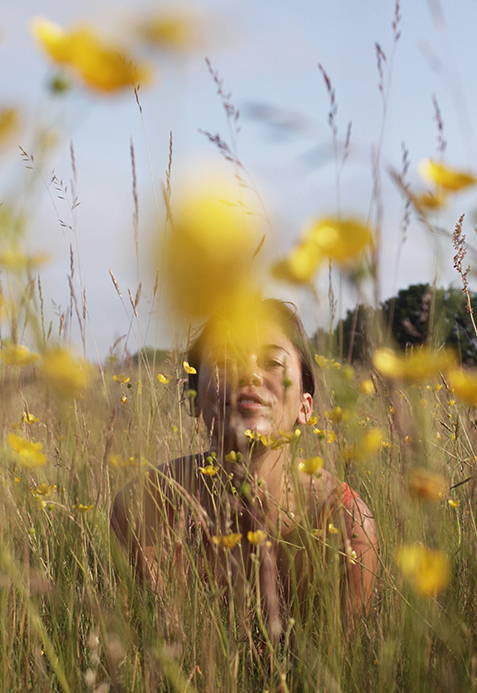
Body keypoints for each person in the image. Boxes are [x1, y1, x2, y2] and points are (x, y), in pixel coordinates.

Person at [111, 298, 378, 639]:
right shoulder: (146, 507)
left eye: (271, 362)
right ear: (193, 399)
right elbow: (162, 656)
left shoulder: (345, 524)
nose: (249, 373)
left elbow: (342, 669)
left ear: (305, 407)